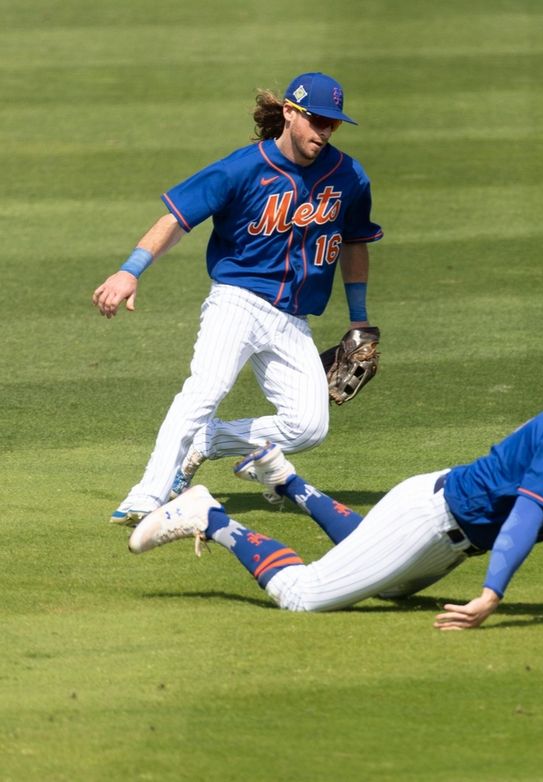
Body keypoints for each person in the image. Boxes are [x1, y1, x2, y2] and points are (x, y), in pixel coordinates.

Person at [128, 351, 543, 630]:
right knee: (302, 595)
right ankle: (210, 516)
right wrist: (491, 597)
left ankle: (286, 479)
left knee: (385, 582)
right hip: (428, 520)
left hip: (440, 526)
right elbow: (523, 518)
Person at [93, 72, 383, 525]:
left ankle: (209, 441)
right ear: (290, 112)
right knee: (204, 390)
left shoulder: (348, 177)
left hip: (292, 318)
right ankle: (146, 496)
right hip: (237, 300)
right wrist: (130, 271)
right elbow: (176, 217)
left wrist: (359, 319)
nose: (324, 132)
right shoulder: (242, 168)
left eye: (333, 124)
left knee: (309, 426)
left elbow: (354, 242)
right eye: (317, 120)